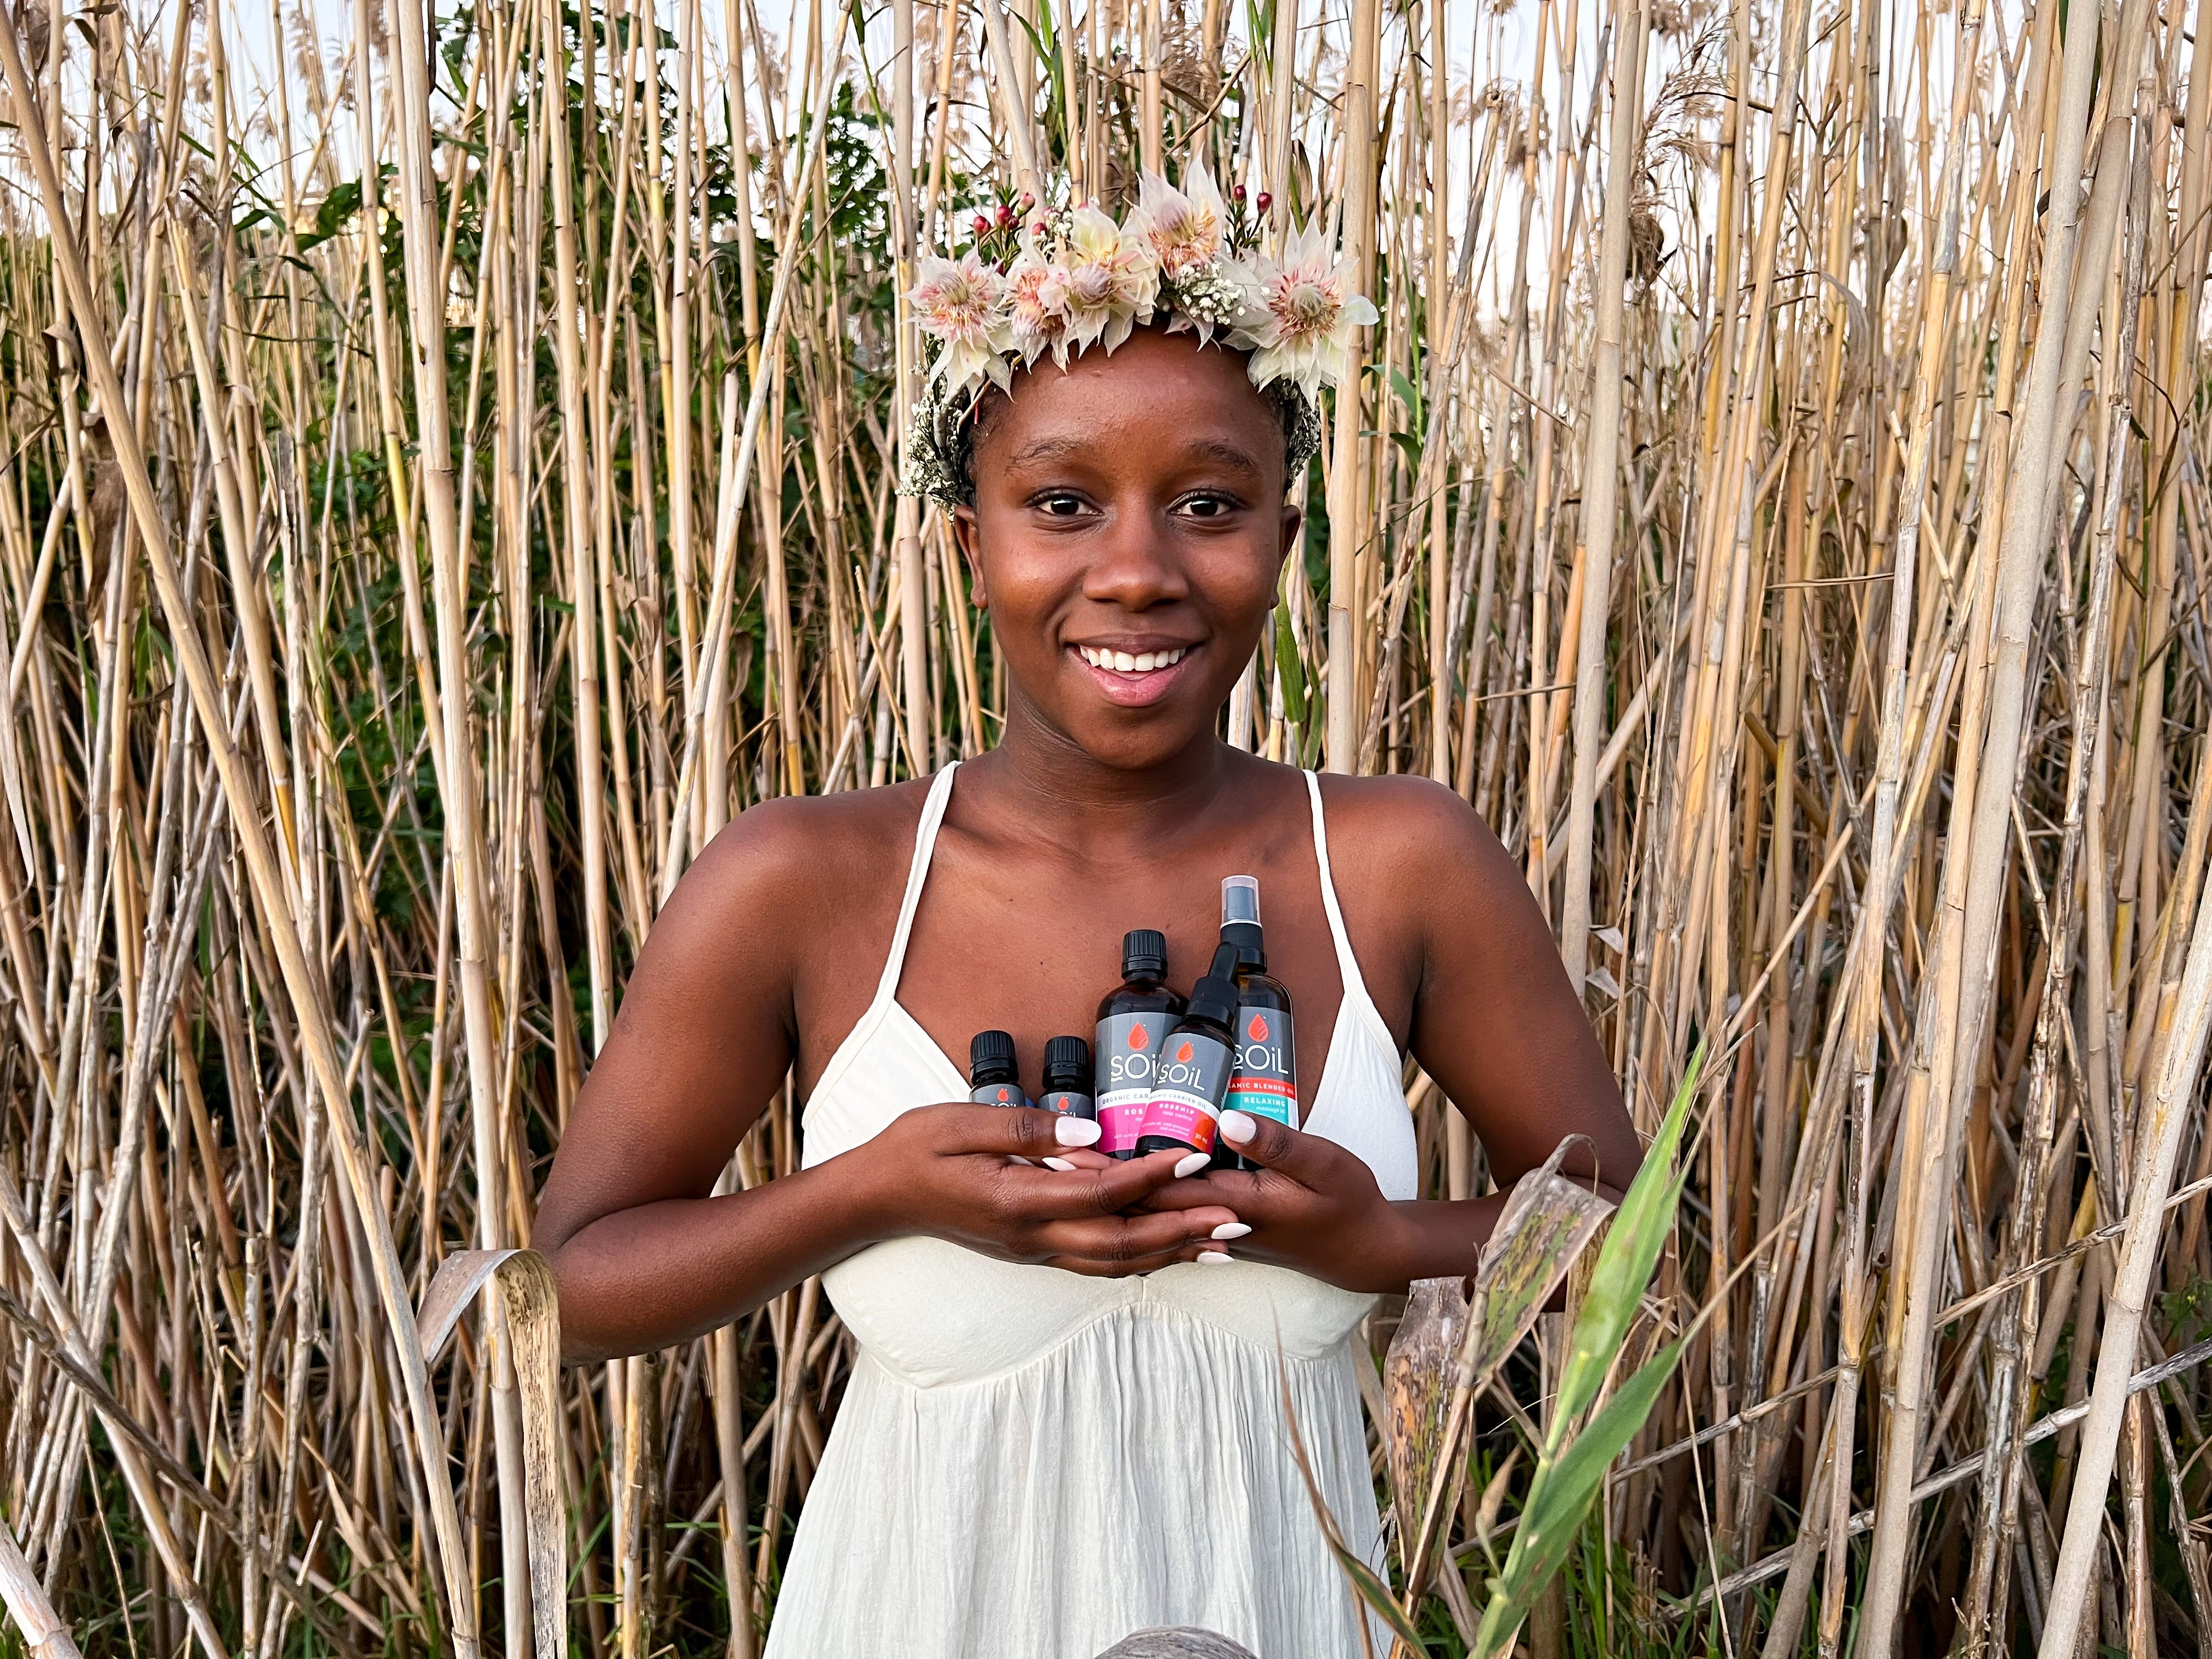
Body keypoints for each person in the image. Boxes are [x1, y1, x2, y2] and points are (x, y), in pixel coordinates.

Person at [532, 166, 1642, 1659]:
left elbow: (1620, 1233)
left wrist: (1380, 1241)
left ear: (1284, 539)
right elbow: (573, 1292)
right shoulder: (806, 880)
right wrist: (876, 1192)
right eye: (1062, 504)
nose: (1136, 571)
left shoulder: (1398, 863)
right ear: (969, 546)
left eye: (1209, 506)